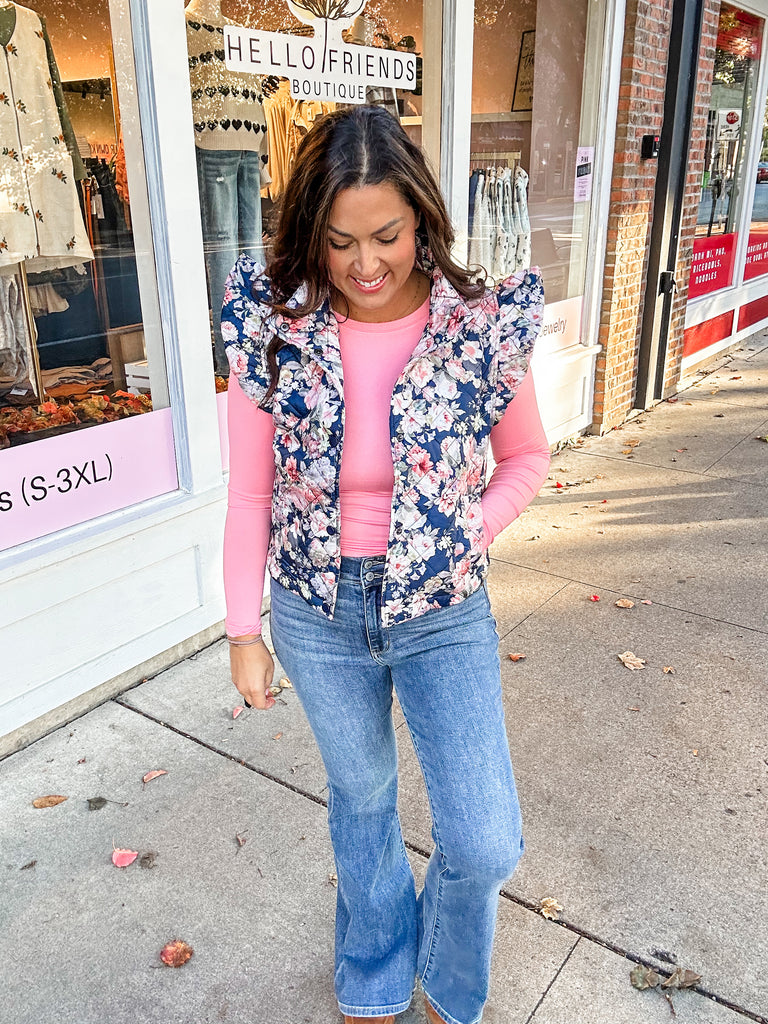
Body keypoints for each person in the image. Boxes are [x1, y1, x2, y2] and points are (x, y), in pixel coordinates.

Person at [221, 105, 550, 1024]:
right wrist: (243, 631)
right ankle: (374, 954)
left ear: (421, 217)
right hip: (316, 612)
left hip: (442, 608)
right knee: (362, 795)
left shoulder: (477, 327)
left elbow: (528, 458)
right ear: (309, 235)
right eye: (338, 242)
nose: (365, 265)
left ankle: (445, 968)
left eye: (387, 236)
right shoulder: (275, 329)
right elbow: (249, 495)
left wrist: (463, 533)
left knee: (484, 841)